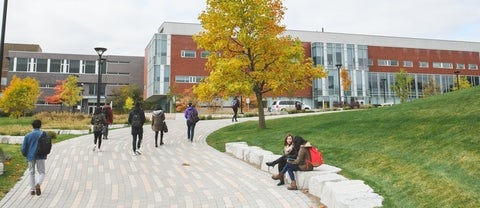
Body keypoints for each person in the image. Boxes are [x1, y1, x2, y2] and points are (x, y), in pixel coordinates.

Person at [21, 119, 50, 196]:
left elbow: (23, 148)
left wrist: (25, 154)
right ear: (40, 126)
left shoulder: (27, 135)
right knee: (42, 172)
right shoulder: (44, 134)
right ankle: (38, 184)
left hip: (30, 157)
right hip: (41, 156)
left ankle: (32, 190)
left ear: (32, 126)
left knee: (31, 173)